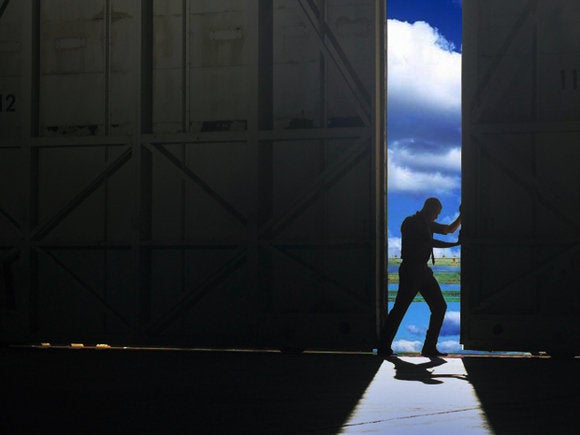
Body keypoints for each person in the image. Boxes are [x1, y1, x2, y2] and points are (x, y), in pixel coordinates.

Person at [382, 198, 461, 358]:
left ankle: (429, 347)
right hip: (412, 270)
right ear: (430, 209)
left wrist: (462, 216)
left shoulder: (426, 223)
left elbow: (448, 230)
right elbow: (430, 242)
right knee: (400, 309)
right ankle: (384, 346)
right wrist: (455, 245)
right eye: (437, 213)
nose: (437, 217)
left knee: (438, 306)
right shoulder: (411, 223)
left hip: (421, 270)